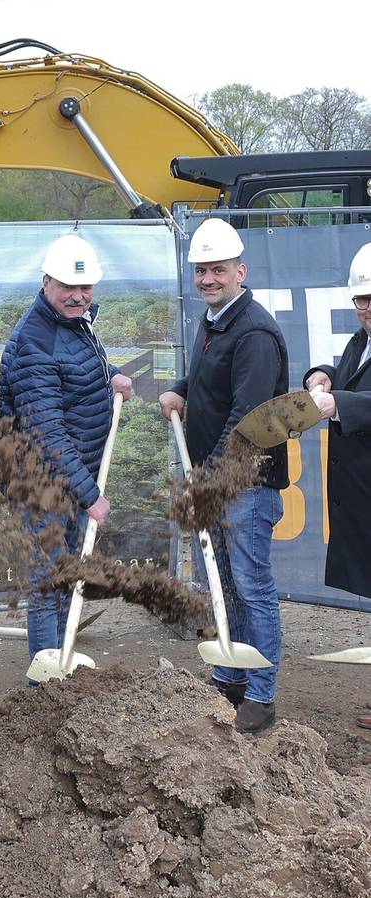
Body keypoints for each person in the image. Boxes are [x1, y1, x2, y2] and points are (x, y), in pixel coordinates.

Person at [159, 218, 289, 735]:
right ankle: (231, 674)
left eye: (218, 270)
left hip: (245, 488)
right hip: (217, 483)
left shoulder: (254, 332)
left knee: (251, 587)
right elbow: (208, 382)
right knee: (224, 585)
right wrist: (181, 389)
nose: (208, 279)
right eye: (201, 270)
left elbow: (246, 422)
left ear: (241, 271)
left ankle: (261, 694)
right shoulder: (215, 321)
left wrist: (204, 483)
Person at [0, 234, 132, 671]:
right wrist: (89, 495)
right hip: (44, 481)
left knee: (62, 576)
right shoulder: (34, 341)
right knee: (47, 583)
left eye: (85, 288)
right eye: (67, 288)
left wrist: (109, 376)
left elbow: (75, 366)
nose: (77, 297)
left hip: (70, 476)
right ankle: (45, 686)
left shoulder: (74, 322)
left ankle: (58, 666)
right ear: (45, 282)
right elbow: (46, 432)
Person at [303, 243, 371, 729]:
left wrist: (340, 401)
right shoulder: (359, 341)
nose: (367, 308)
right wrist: (324, 375)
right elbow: (350, 372)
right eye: (361, 299)